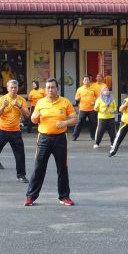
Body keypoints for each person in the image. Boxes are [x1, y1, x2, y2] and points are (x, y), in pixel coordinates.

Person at [26, 78, 77, 206]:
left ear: (57, 89)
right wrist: (34, 118)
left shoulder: (65, 102)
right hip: (44, 138)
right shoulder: (40, 102)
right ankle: (31, 196)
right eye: (48, 87)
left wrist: (65, 122)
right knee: (39, 168)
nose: (50, 89)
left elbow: (75, 119)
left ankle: (64, 196)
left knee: (62, 168)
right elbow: (33, 119)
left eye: (52, 87)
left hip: (60, 139)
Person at [0, 79, 30, 183]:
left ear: (18, 88)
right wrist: (3, 106)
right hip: (2, 131)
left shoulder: (21, 100)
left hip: (16, 131)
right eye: (11, 88)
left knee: (20, 154)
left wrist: (19, 106)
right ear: (7, 88)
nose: (13, 90)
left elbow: (27, 115)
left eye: (15, 88)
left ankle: (21, 176)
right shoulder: (2, 100)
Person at [72, 75, 98, 141]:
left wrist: (95, 102)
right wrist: (78, 98)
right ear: (83, 81)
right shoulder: (80, 89)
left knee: (93, 123)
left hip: (92, 109)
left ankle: (93, 136)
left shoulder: (93, 88)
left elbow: (98, 97)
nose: (86, 81)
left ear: (90, 81)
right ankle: (74, 136)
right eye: (85, 80)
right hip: (83, 109)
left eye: (88, 80)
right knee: (79, 123)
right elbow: (76, 98)